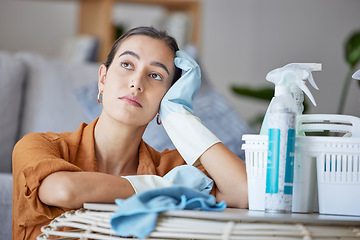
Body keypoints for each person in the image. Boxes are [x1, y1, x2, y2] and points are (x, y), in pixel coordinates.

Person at [12, 26, 248, 239]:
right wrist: (163, 187)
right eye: (127, 65)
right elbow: (64, 190)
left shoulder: (171, 168)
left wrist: (180, 118)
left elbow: (244, 192)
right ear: (102, 79)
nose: (136, 82)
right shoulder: (39, 146)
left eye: (155, 75)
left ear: (167, 96)